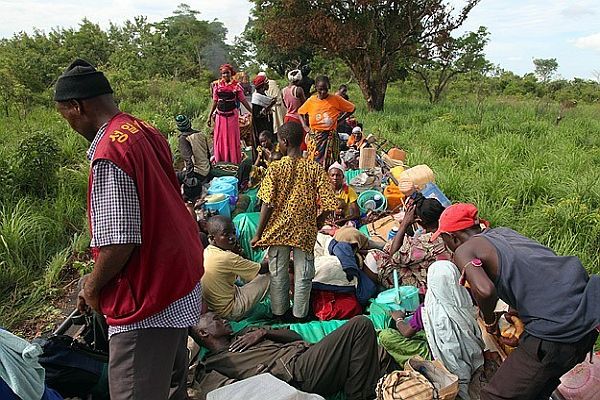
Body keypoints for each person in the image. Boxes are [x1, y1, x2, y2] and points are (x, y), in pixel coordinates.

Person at [54, 59, 203, 400]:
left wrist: (92, 287)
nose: (69, 123)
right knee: (170, 382)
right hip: (178, 277)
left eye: (66, 114)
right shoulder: (142, 128)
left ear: (78, 106)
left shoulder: (109, 153)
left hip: (148, 299)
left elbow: (119, 243)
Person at [431, 203, 600, 400]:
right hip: (585, 320)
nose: (447, 246)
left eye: (444, 240)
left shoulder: (463, 250)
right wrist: (517, 314)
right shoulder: (503, 233)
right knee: (536, 391)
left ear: (453, 237)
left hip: (556, 333)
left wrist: (490, 321)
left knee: (494, 396)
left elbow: (485, 291)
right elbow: (530, 272)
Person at [250, 122, 338, 319]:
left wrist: (258, 233)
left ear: (284, 141)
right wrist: (318, 220)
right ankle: (300, 314)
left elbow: (267, 203)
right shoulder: (314, 168)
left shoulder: (275, 168)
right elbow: (330, 201)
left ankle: (279, 313)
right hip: (304, 230)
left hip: (278, 229)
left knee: (278, 272)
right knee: (304, 273)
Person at [191, 313, 385, 400]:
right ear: (203, 333)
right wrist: (259, 380)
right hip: (295, 372)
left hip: (307, 356)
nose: (224, 320)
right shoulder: (214, 364)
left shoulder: (247, 331)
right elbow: (231, 392)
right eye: (216, 319)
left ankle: (361, 389)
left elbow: (295, 336)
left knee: (378, 353)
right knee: (361, 324)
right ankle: (359, 396)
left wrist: (263, 333)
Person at [387, 261, 485, 399]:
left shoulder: (428, 310)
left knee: (386, 336)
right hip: (472, 353)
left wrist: (398, 319)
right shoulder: (467, 298)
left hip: (442, 361)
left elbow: (406, 332)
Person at [202, 216, 270, 321]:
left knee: (245, 275)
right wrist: (281, 259)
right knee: (270, 275)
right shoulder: (227, 257)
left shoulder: (207, 251)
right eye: (226, 235)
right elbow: (262, 269)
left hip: (218, 305)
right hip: (230, 310)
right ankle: (280, 311)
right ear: (212, 238)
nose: (232, 237)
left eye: (233, 233)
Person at [377, 194, 450, 291]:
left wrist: (404, 224)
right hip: (439, 276)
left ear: (418, 220)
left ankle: (377, 291)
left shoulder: (427, 241)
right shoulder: (448, 229)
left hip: (426, 286)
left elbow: (394, 257)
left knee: (374, 257)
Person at [298, 75, 355, 168]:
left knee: (330, 165)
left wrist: (340, 120)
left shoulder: (336, 99)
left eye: (325, 89)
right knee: (314, 164)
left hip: (330, 139)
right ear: (316, 88)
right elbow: (300, 112)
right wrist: (305, 126)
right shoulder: (311, 101)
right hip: (316, 138)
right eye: (320, 89)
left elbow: (352, 108)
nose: (323, 92)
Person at [208, 64, 253, 164]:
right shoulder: (217, 85)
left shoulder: (236, 86)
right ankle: (221, 158)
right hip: (220, 117)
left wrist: (251, 111)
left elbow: (243, 100)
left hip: (232, 116)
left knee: (232, 138)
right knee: (220, 138)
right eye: (223, 73)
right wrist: (209, 116)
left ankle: (233, 159)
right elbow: (215, 101)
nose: (225, 75)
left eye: (227, 73)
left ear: (231, 73)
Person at [174, 114, 211, 217]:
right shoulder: (200, 134)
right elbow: (208, 154)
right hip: (206, 169)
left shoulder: (183, 138)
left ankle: (179, 199)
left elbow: (189, 161)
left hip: (198, 173)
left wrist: (190, 179)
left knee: (176, 176)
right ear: (189, 123)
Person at [328, 162, 360, 227]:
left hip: (345, 221)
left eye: (338, 175)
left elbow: (356, 213)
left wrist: (343, 220)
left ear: (343, 177)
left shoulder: (349, 191)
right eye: (332, 175)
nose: (335, 178)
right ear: (329, 177)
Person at [251, 74, 276, 143]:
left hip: (267, 123)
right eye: (266, 83)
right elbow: (258, 115)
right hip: (261, 126)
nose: (268, 85)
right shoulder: (257, 99)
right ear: (262, 85)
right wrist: (270, 105)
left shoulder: (264, 95)